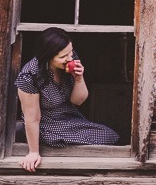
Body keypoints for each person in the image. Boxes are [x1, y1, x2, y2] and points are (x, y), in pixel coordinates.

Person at [15, 27, 119, 172]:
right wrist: (33, 153)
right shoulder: (30, 76)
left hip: (69, 117)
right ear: (48, 56)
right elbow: (32, 118)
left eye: (71, 52)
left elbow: (78, 101)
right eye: (64, 56)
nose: (70, 58)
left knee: (109, 135)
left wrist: (79, 79)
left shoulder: (70, 59)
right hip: (46, 123)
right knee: (100, 141)